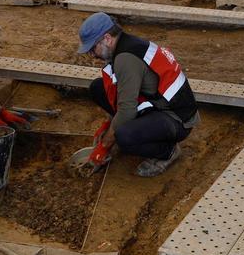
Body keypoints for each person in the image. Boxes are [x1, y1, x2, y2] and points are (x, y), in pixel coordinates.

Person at [77, 12, 199, 177]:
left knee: (124, 137)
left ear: (107, 38)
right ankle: (129, 128)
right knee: (97, 87)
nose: (91, 54)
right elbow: (119, 91)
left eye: (93, 48)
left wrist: (105, 145)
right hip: (157, 101)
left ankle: (167, 152)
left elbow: (127, 110)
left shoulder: (126, 59)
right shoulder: (123, 44)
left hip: (177, 118)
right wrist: (109, 123)